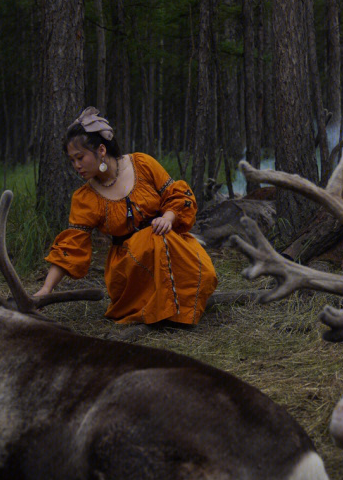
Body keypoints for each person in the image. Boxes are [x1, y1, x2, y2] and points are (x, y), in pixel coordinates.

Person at [36, 107, 217, 325]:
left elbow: (177, 196)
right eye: (72, 160)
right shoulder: (85, 198)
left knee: (203, 273)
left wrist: (168, 218)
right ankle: (164, 310)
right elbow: (70, 247)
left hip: (169, 242)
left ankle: (173, 307)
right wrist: (46, 288)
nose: (76, 166)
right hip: (129, 266)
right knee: (154, 242)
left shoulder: (142, 164)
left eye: (80, 157)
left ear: (101, 150)